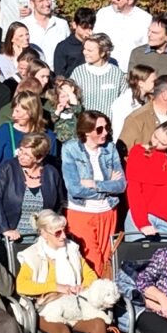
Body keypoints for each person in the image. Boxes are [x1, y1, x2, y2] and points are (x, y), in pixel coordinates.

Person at [61, 111, 126, 276]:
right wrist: (107, 188)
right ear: (86, 131)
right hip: (81, 211)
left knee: (106, 259)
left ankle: (104, 297)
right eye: (99, 129)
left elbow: (121, 185)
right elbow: (74, 189)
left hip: (107, 211)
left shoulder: (109, 148)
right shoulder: (70, 149)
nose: (105, 133)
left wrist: (94, 184)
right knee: (91, 259)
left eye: (107, 128)